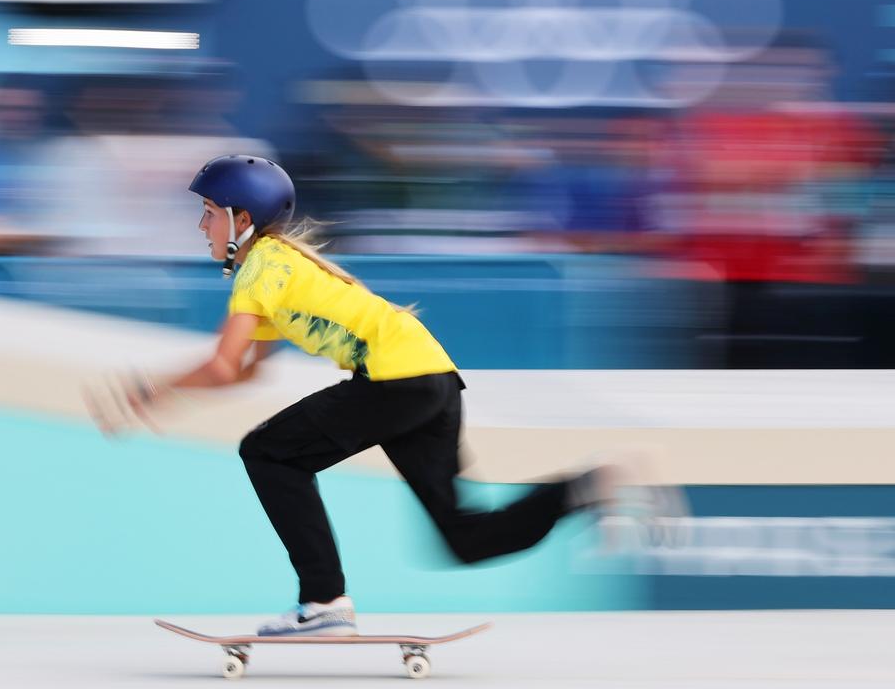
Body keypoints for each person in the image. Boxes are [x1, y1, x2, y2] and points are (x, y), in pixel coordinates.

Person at [92, 155, 671, 637]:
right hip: (432, 379)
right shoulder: (277, 268)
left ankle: (323, 602)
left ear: (242, 218)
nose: (202, 228)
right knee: (463, 536)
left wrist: (149, 391)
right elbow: (242, 373)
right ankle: (589, 486)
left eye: (208, 214)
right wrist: (162, 398)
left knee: (267, 452)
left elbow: (222, 364)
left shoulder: (262, 268)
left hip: (397, 381)